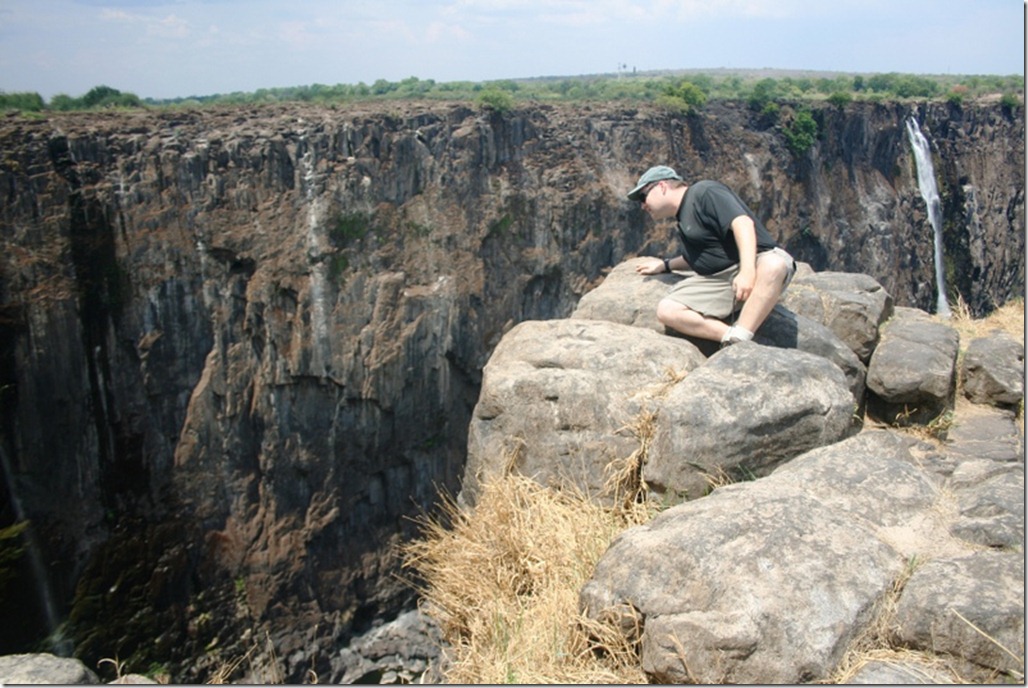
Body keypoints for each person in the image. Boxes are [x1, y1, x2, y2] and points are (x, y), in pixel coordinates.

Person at [627, 165, 796, 346]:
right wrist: (665, 265)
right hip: (721, 278)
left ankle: (744, 332)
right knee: (666, 310)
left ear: (662, 186)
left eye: (643, 197)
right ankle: (734, 337)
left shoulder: (704, 192)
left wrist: (747, 272)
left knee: (774, 265)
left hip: (756, 262)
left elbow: (743, 224)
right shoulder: (683, 217)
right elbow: (697, 257)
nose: (643, 206)